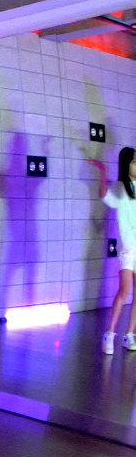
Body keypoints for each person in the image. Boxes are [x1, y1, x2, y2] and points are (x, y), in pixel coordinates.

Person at [89, 148, 136, 354]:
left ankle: (130, 334)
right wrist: (103, 172)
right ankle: (109, 332)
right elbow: (104, 196)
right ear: (127, 164)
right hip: (128, 248)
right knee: (124, 290)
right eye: (134, 162)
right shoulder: (121, 187)